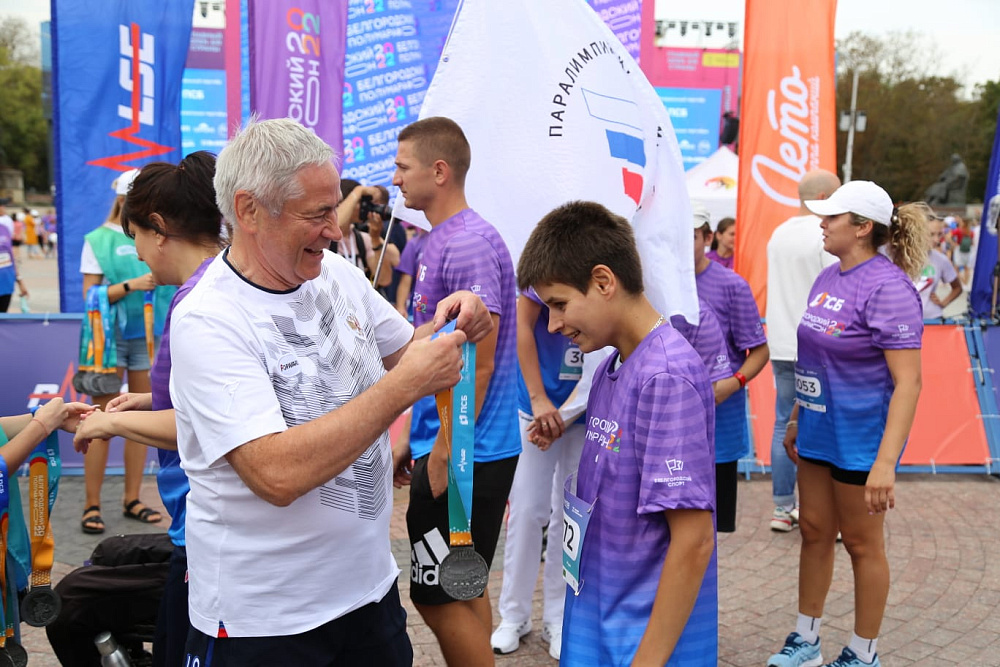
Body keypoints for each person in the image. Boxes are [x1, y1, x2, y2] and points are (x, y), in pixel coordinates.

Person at [168, 117, 491, 665]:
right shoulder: (208, 318)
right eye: (316, 213)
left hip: (367, 594)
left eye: (332, 209)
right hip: (266, 622)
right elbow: (275, 474)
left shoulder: (335, 274)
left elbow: (405, 352)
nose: (334, 230)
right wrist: (401, 388)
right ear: (248, 211)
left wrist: (453, 324)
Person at [517, 200, 717, 666]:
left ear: (604, 281)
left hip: (638, 637)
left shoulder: (666, 376)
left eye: (560, 304)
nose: (553, 324)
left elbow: (693, 541)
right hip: (600, 618)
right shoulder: (612, 365)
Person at [71, 151, 223, 667]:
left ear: (158, 229)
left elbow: (205, 425)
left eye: (136, 236)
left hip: (207, 528)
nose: (136, 254)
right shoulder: (208, 288)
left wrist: (113, 420)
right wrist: (147, 403)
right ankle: (97, 502)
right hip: (200, 523)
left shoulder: (200, 303)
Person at [768, 181, 924, 667]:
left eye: (832, 216)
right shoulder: (827, 276)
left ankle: (863, 652)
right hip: (817, 432)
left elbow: (909, 384)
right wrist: (796, 416)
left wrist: (885, 463)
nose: (822, 223)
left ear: (862, 228)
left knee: (861, 544)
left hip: (861, 442)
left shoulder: (889, 288)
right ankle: (806, 640)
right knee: (814, 530)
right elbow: (813, 357)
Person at [390, 116, 520, 665]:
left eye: (403, 166)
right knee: (464, 588)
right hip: (456, 445)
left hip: (469, 452)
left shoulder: (465, 243)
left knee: (436, 594)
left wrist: (445, 451)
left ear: (439, 171)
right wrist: (415, 438)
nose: (395, 178)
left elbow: (479, 363)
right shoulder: (442, 238)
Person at [489, 287, 588, 660]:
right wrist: (538, 399)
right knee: (528, 510)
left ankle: (559, 619)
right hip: (534, 407)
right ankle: (514, 615)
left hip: (585, 407)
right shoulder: (545, 266)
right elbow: (522, 324)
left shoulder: (601, 272)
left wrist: (565, 413)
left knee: (570, 515)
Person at [78, 169, 176, 534]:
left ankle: (131, 498)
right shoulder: (98, 240)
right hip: (108, 342)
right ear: (123, 199)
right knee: (99, 418)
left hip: (150, 337)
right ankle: (91, 504)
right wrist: (131, 285)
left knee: (138, 418)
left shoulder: (160, 232)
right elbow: (90, 297)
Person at [765, 169, 841, 532]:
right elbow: (836, 289)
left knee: (784, 421)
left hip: (781, 340)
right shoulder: (823, 234)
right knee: (825, 423)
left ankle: (783, 508)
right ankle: (824, 513)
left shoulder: (778, 233)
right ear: (824, 197)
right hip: (816, 342)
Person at [693, 205, 769, 533]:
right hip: (667, 427)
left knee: (712, 530)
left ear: (707, 237)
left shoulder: (731, 285)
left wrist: (733, 382)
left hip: (718, 427)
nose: (680, 243)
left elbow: (759, 351)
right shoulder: (653, 284)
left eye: (691, 236)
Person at [915, 210, 962, 319]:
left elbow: (957, 288)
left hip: (932, 319)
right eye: (931, 234)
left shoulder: (941, 259)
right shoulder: (899, 257)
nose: (936, 240)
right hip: (904, 321)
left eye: (939, 234)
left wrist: (943, 303)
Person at [394, 225, 428, 318]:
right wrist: (401, 307)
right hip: (417, 312)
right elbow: (405, 281)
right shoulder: (414, 244)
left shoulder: (451, 241)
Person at [0, 201, 28, 312]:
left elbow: (10, 255)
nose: (3, 208)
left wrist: (20, 282)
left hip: (6, 281)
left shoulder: (4, 229)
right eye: (2, 206)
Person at [950, 215, 974, 287]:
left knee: (956, 267)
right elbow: (972, 243)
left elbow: (949, 236)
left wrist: (953, 243)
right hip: (967, 251)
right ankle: (966, 282)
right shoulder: (971, 232)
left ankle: (961, 280)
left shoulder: (959, 230)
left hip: (959, 249)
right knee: (967, 268)